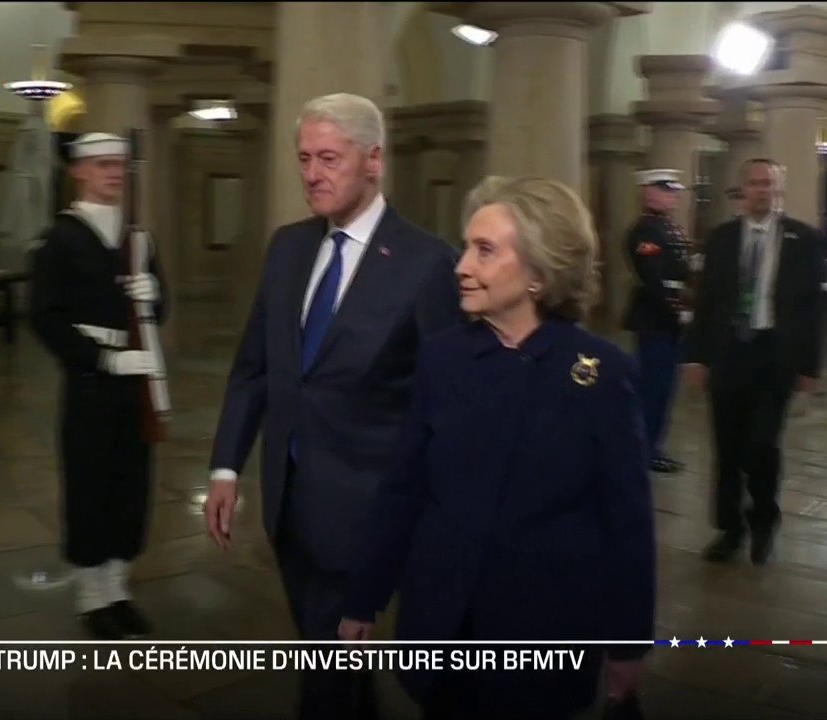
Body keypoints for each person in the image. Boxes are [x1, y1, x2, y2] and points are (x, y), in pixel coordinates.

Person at [338, 175, 656, 720]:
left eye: (484, 251)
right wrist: (364, 598)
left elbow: (627, 523)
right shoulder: (443, 358)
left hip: (543, 634)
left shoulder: (603, 375)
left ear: (538, 272)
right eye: (466, 247)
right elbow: (404, 489)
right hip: (441, 626)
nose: (462, 266)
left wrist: (627, 643)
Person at [203, 92, 460, 719]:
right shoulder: (288, 247)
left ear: (373, 160)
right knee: (332, 659)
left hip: (365, 515)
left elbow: (447, 406)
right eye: (303, 159)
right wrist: (226, 467)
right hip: (287, 502)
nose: (312, 174)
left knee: (325, 673)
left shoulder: (428, 265)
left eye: (328, 158)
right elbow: (254, 368)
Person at [28, 132, 168, 640]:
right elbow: (44, 318)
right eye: (104, 165)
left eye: (120, 165)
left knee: (131, 485)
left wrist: (153, 294)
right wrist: (103, 360)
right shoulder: (60, 239)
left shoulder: (138, 238)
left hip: (135, 384)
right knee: (90, 484)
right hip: (91, 382)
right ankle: (92, 596)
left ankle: (119, 589)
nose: (114, 173)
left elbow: (161, 309)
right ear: (80, 171)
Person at [683, 158, 826, 565]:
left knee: (762, 444)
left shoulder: (804, 239)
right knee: (726, 447)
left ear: (779, 190)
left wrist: (810, 366)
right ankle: (729, 529)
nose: (761, 190)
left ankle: (764, 520)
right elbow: (705, 302)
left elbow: (812, 308)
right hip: (730, 353)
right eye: (754, 183)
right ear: (743, 190)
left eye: (769, 184)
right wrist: (695, 356)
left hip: (773, 355)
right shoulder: (721, 239)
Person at [622, 168, 690, 474]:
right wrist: (678, 308)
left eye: (673, 190)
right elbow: (653, 278)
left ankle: (652, 445)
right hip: (655, 318)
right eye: (665, 190)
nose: (672, 195)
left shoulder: (667, 228)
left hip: (668, 322)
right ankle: (645, 449)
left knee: (664, 388)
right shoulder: (646, 231)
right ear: (649, 193)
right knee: (653, 387)